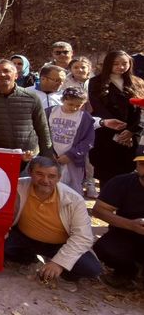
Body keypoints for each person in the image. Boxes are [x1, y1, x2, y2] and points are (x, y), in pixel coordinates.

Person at [5, 156, 101, 284]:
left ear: (59, 178)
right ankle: (30, 260)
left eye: (51, 176)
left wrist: (59, 263)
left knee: (91, 268)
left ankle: (61, 273)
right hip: (24, 237)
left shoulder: (74, 199)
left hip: (59, 244)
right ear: (30, 173)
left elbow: (83, 237)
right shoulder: (17, 186)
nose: (45, 180)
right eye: (39, 174)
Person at [0, 60, 52, 158]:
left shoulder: (31, 97)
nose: (2, 74)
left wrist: (47, 155)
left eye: (6, 71)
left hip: (27, 156)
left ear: (16, 75)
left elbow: (42, 128)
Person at [87, 50, 143, 185]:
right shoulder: (96, 82)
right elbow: (97, 107)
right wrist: (117, 129)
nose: (121, 67)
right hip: (106, 133)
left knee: (128, 174)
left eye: (125, 63)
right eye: (116, 64)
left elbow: (140, 110)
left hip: (130, 136)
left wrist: (132, 130)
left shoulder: (138, 82)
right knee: (107, 173)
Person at [92, 154, 144, 290]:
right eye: (142, 163)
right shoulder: (122, 182)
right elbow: (98, 210)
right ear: (137, 165)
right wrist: (132, 225)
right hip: (126, 234)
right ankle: (127, 271)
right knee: (105, 248)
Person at [46, 88, 94, 195]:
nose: (74, 108)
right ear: (63, 100)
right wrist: (49, 152)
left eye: (78, 105)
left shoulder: (85, 117)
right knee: (49, 185)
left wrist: (71, 155)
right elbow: (42, 133)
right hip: (51, 157)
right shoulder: (50, 112)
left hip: (73, 161)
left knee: (72, 189)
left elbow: (88, 141)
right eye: (70, 104)